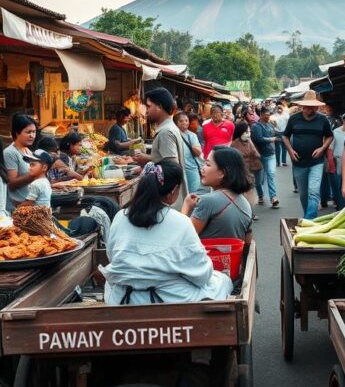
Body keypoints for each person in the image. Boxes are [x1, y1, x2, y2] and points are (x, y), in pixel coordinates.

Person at [102, 161, 232, 305]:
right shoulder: (181, 222)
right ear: (173, 191)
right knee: (222, 281)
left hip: (121, 299)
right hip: (167, 300)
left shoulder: (120, 216)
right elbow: (201, 275)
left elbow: (112, 256)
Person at [181, 147, 254, 242]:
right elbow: (248, 240)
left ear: (222, 173)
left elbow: (182, 236)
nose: (202, 168)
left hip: (207, 256)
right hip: (234, 256)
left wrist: (186, 206)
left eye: (208, 164)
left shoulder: (207, 201)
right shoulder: (244, 202)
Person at [283, 91, 334, 219]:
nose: (309, 109)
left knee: (314, 192)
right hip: (298, 163)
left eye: (312, 107)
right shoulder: (294, 118)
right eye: (307, 107)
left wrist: (322, 148)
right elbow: (285, 136)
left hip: (316, 162)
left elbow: (329, 136)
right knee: (303, 194)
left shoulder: (322, 119)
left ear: (316, 107)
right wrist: (290, 150)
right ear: (302, 106)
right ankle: (308, 218)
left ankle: (309, 219)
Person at [135, 87, 188, 208]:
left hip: (168, 200)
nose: (146, 111)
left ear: (159, 107)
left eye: (149, 106)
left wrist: (148, 161)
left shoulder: (165, 132)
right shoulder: (169, 128)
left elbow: (171, 168)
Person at [4, 113, 40, 212]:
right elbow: (11, 183)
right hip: (17, 209)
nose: (32, 135)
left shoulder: (29, 152)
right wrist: (35, 173)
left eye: (34, 132)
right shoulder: (10, 153)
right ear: (17, 133)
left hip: (31, 207)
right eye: (28, 132)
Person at [229, 122, 263, 209]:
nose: (249, 134)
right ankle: (249, 209)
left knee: (256, 184)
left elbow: (256, 153)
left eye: (249, 132)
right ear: (240, 132)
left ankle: (257, 199)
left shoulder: (249, 141)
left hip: (255, 166)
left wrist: (257, 155)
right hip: (243, 169)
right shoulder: (234, 144)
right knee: (247, 189)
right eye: (246, 132)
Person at [250, 106, 279, 207]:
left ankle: (273, 197)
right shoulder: (256, 126)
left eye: (269, 115)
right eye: (266, 115)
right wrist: (271, 139)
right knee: (259, 179)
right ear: (261, 115)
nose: (268, 116)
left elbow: (276, 134)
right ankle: (260, 195)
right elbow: (258, 139)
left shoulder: (270, 124)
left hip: (270, 154)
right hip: (259, 155)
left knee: (271, 174)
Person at [328, 112, 345, 207]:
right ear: (343, 121)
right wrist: (331, 164)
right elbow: (330, 149)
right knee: (340, 184)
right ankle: (341, 206)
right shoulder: (336, 132)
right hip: (339, 161)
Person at [176, 112, 205, 195]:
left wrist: (194, 147)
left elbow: (198, 152)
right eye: (181, 121)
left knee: (193, 194)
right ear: (176, 123)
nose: (184, 123)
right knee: (181, 195)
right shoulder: (173, 135)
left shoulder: (192, 135)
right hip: (179, 169)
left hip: (192, 169)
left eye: (186, 120)